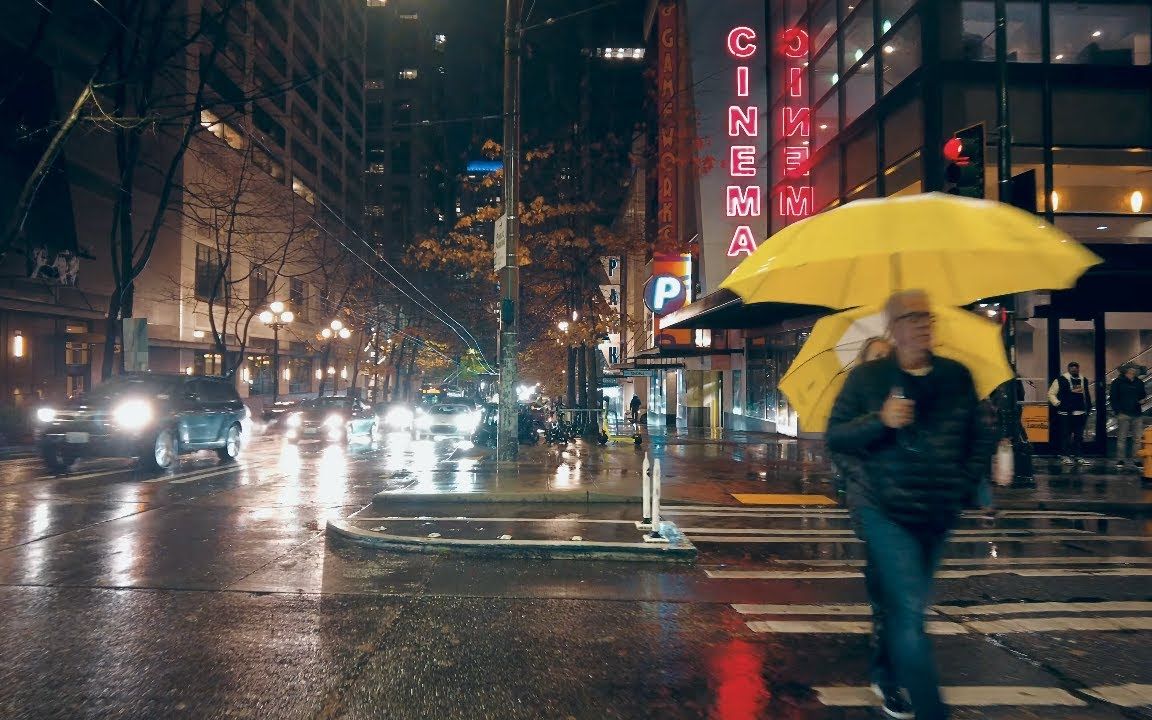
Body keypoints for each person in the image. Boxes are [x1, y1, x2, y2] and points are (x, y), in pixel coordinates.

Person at [827, 290, 999, 720]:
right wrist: (880, 421)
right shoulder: (868, 380)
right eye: (911, 316)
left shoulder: (956, 377)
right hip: (883, 509)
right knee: (907, 611)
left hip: (937, 513)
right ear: (893, 326)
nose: (922, 323)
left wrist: (962, 485)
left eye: (927, 315)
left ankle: (885, 673)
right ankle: (929, 709)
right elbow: (836, 436)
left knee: (900, 604)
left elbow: (980, 434)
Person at [1048, 361, 1093, 466]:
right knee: (1065, 436)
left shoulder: (1083, 380)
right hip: (1065, 413)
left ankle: (1078, 456)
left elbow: (1086, 394)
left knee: (1078, 436)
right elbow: (1051, 393)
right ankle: (1065, 455)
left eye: (1076, 368)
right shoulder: (1061, 380)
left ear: (1078, 369)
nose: (1074, 370)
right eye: (1072, 368)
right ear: (1068, 369)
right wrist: (1058, 404)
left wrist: (1087, 407)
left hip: (1080, 412)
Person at [1109, 364, 1146, 470]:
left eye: (1135, 369)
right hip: (1123, 414)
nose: (1134, 371)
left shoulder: (1139, 382)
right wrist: (1118, 412)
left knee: (1137, 439)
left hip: (1137, 414)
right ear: (1127, 371)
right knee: (1122, 438)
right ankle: (1120, 460)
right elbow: (1113, 398)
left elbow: (1143, 395)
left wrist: (1143, 400)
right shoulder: (1118, 382)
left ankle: (1137, 460)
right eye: (1132, 369)